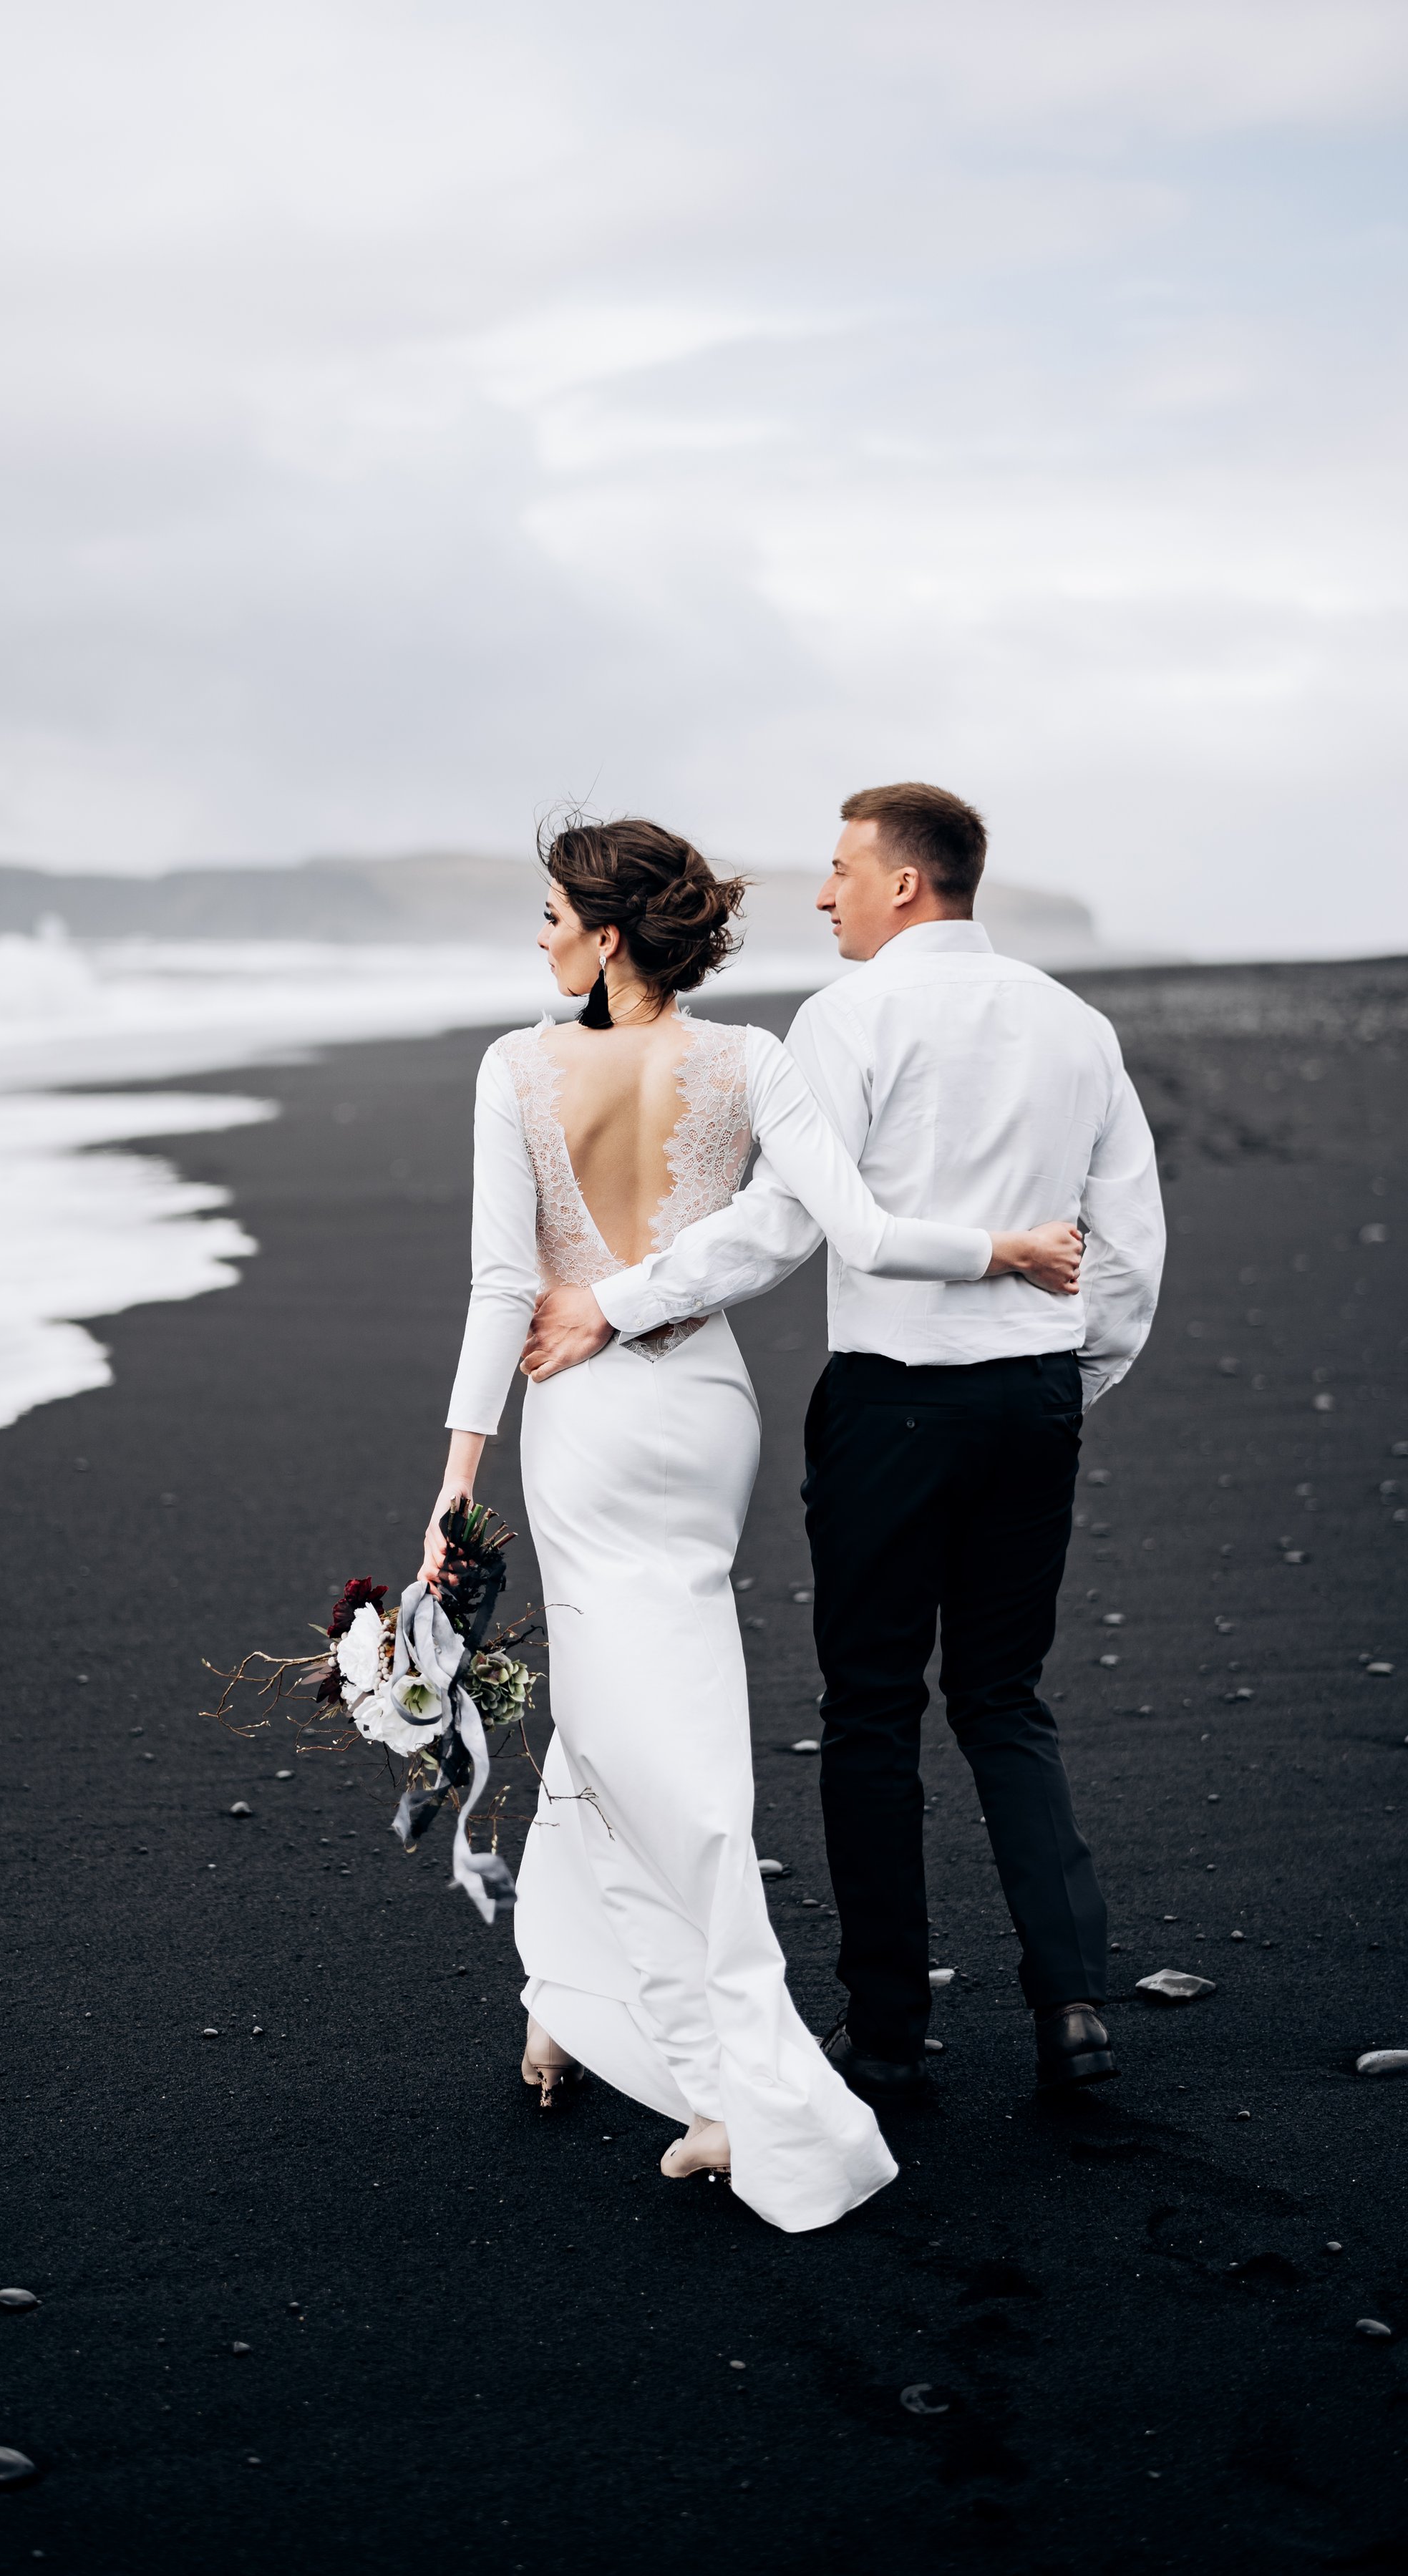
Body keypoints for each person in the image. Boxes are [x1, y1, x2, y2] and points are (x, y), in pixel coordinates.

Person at [422, 813, 1084, 2234]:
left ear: (607, 936)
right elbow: (845, 1223)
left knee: (624, 1729)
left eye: (551, 914)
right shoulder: (755, 1060)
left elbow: (499, 1283)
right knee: (634, 1711)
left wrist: (458, 1476)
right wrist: (1003, 1250)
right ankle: (570, 2009)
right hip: (704, 1406)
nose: (536, 938)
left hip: (585, 1416)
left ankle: (735, 2087)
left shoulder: (513, 1069)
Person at [523, 784, 1166, 2106]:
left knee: (872, 1711)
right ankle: (1078, 2018)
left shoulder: (850, 1018)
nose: (823, 896)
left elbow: (783, 1223)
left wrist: (617, 1302)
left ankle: (886, 2037)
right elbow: (1130, 1251)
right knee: (1006, 1701)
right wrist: (1061, 1383)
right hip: (1033, 1403)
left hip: (895, 1407)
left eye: (839, 872)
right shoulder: (1076, 1025)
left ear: (907, 886)